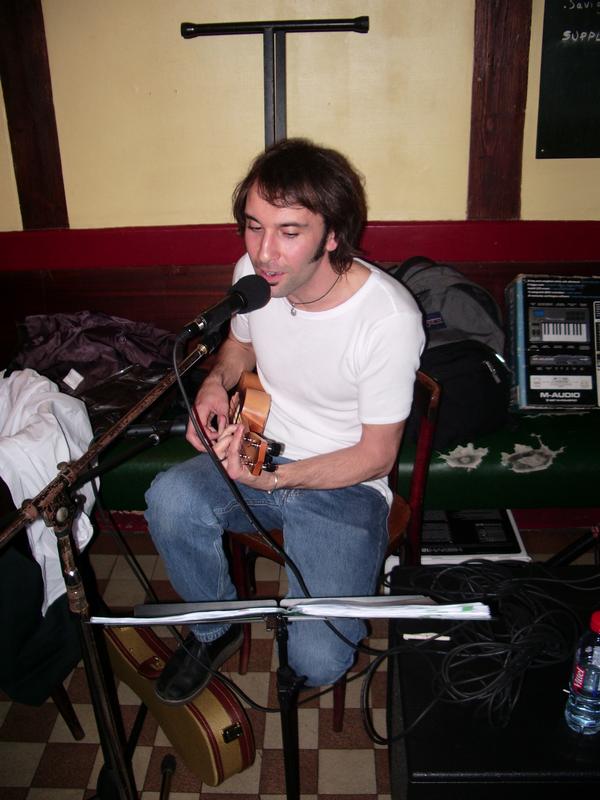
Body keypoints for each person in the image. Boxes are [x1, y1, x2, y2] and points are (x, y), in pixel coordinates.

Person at [145, 138, 425, 705]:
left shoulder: (387, 319)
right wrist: (214, 383)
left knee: (318, 662)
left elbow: (376, 456)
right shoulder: (253, 277)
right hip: (260, 447)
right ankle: (214, 628)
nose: (265, 252)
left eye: (289, 232)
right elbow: (239, 347)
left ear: (333, 235)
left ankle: (310, 635)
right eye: (253, 227)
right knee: (170, 500)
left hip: (345, 484)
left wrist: (275, 480)